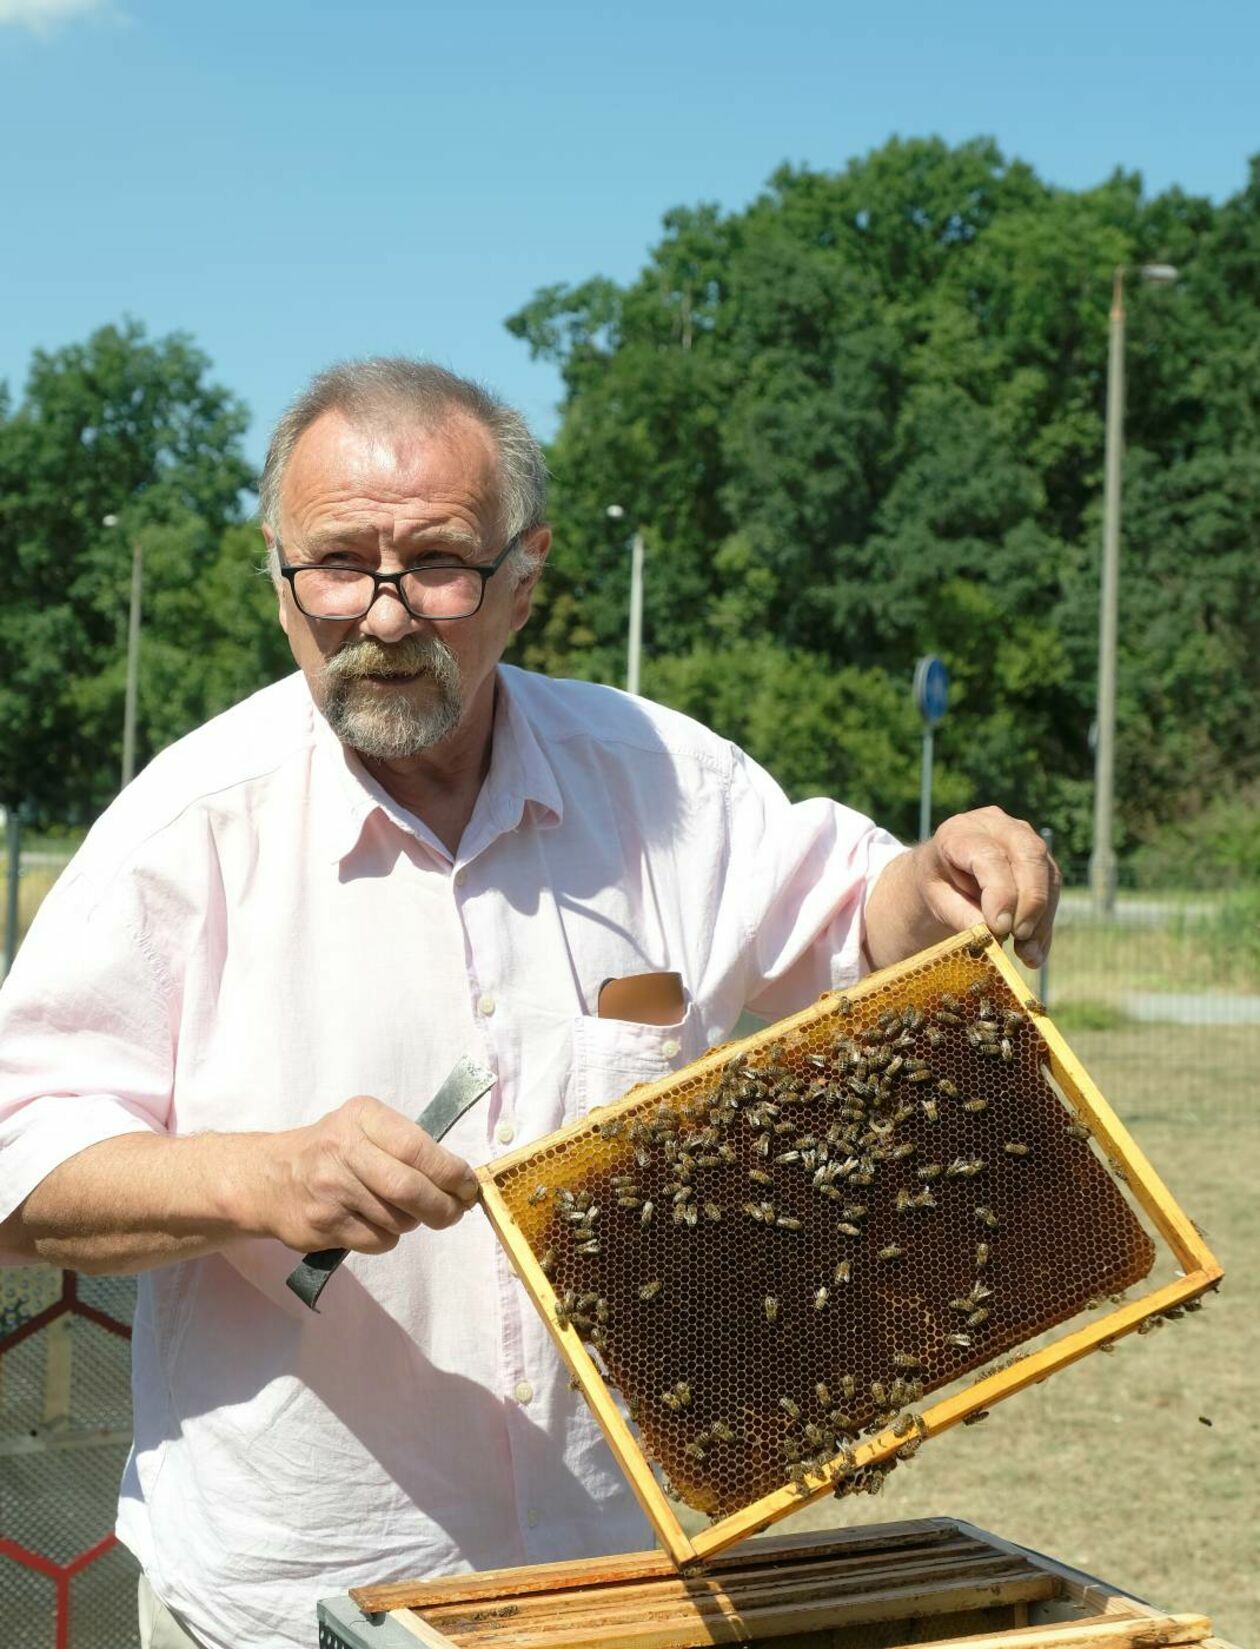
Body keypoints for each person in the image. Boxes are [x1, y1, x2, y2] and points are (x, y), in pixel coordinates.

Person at [0, 360, 1059, 1649]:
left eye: (438, 564)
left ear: (526, 574)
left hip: (630, 1583)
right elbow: (21, 1165)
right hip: (291, 1602)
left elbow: (854, 930)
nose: (383, 617)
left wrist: (936, 880)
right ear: (277, 573)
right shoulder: (186, 830)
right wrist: (257, 1179)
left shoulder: (668, 781)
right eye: (335, 564)